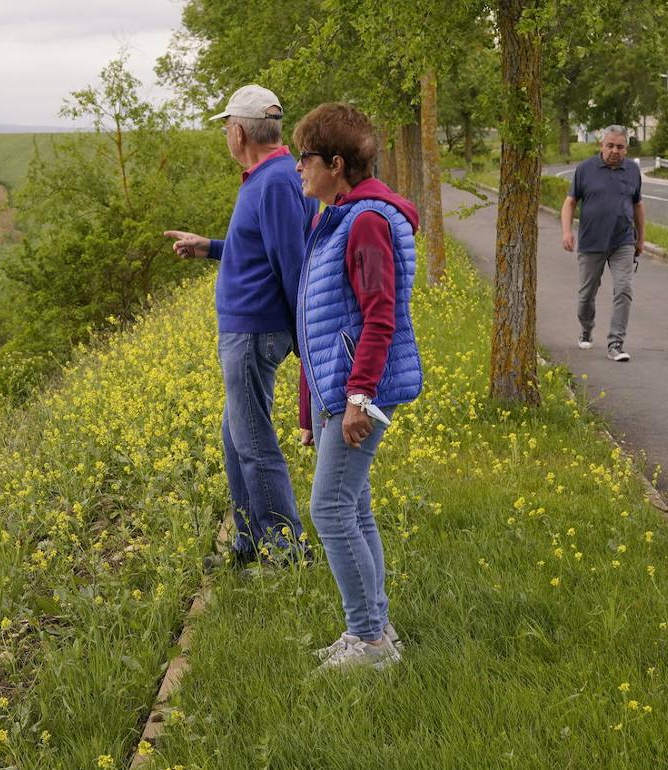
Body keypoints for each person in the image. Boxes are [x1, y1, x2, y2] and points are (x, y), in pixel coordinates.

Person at [164, 85, 319, 566]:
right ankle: (249, 542)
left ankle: (286, 549)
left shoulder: (273, 181)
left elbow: (290, 260)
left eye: (225, 128)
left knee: (253, 442)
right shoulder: (269, 176)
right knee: (236, 439)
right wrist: (209, 246)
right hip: (248, 329)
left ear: (238, 131)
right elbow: (260, 250)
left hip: (254, 331)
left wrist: (303, 335)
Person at [292, 103, 422, 671]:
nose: (299, 168)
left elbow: (379, 316)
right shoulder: (336, 218)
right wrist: (310, 411)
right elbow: (315, 321)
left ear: (336, 163)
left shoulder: (365, 220)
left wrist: (357, 398)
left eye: (306, 158)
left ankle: (367, 641)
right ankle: (377, 631)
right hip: (340, 393)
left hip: (359, 393)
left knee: (330, 510)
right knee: (355, 508)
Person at [561, 125, 645, 362]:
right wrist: (567, 232)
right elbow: (569, 203)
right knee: (586, 295)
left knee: (624, 289)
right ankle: (586, 328)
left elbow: (638, 205)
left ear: (626, 149)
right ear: (602, 145)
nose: (614, 151)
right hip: (591, 243)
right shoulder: (585, 170)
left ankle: (615, 343)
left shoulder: (632, 171)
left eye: (620, 146)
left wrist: (641, 237)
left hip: (623, 242)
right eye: (610, 145)